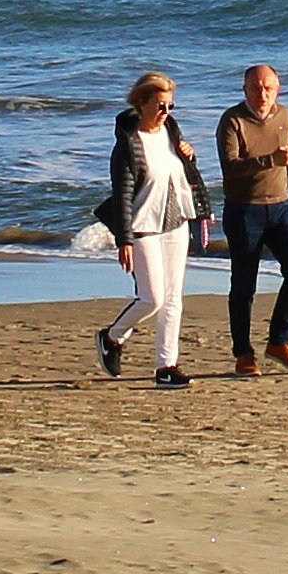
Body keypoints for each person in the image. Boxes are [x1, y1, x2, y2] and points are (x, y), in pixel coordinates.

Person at [90, 68, 211, 390]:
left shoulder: (171, 131)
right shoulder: (129, 145)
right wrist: (124, 241)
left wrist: (190, 158)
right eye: (159, 106)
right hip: (143, 227)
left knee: (173, 299)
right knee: (152, 298)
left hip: (175, 223)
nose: (165, 112)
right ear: (141, 104)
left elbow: (183, 177)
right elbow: (123, 194)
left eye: (170, 106)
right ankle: (112, 336)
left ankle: (166, 367)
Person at [216, 60, 288, 375]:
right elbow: (231, 167)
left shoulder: (284, 116)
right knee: (244, 285)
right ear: (245, 90)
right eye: (256, 88)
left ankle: (279, 342)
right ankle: (243, 354)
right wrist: (271, 159)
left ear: (277, 89)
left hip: (282, 207)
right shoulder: (232, 121)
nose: (262, 94)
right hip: (245, 209)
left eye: (268, 88)